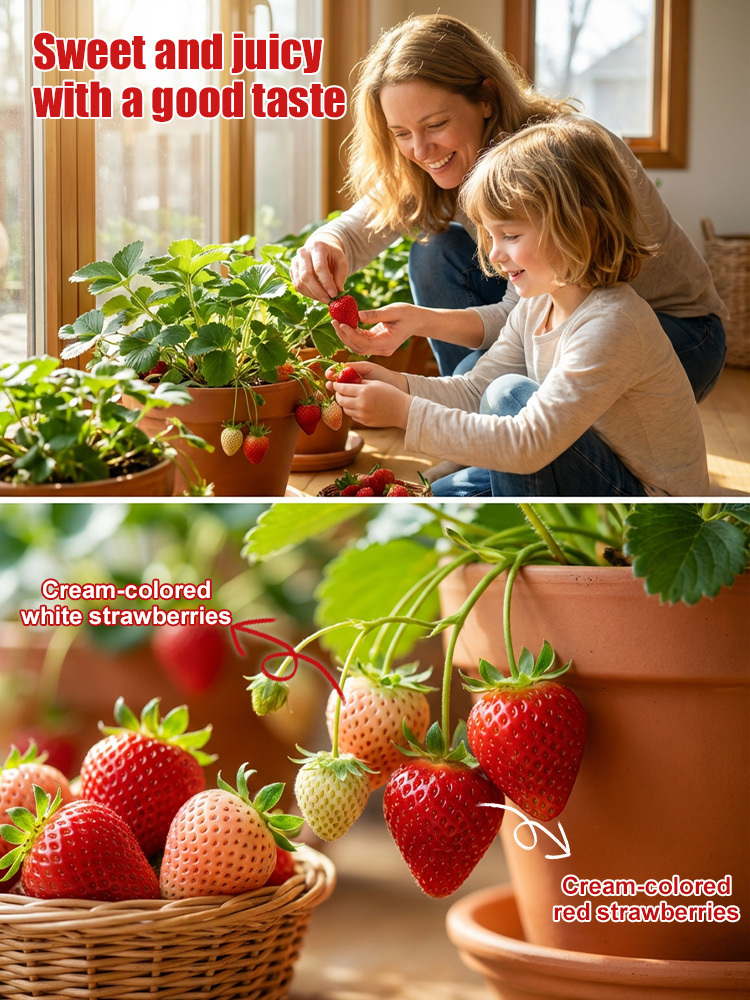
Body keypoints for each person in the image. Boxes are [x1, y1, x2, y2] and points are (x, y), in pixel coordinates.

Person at [291, 13, 726, 402]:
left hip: (677, 333)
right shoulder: (442, 158)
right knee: (436, 253)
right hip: (563, 319)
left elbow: (521, 315)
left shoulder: (558, 155)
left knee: (499, 399)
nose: (420, 149)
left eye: (436, 124)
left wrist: (422, 329)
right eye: (401, 133)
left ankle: (476, 426)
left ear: (487, 99)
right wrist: (327, 244)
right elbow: (364, 223)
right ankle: (474, 422)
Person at [325, 118, 709, 498]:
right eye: (491, 235)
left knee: (509, 395)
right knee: (441, 492)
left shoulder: (613, 323)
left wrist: (404, 412)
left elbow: (528, 443)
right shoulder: (536, 305)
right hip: (589, 465)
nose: (494, 253)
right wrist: (400, 385)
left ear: (581, 227)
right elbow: (476, 389)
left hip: (641, 503)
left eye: (510, 235)